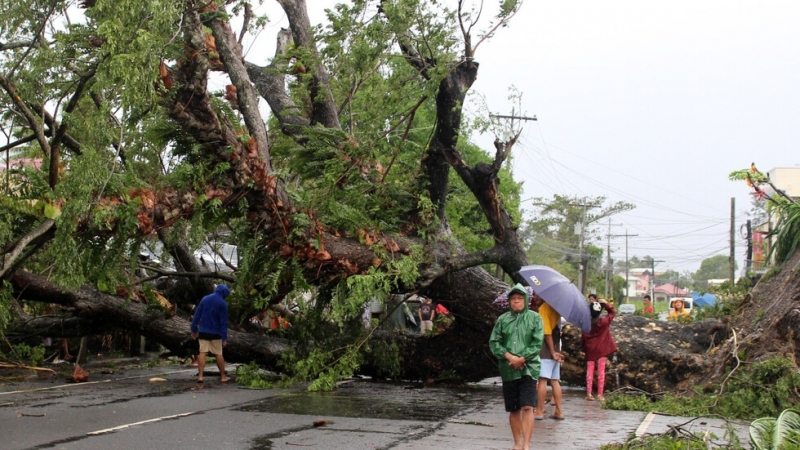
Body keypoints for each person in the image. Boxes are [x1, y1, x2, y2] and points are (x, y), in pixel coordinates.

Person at [489, 284, 544, 450]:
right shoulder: (502, 319)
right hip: (508, 369)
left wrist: (522, 358)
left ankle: (526, 444)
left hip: (529, 369)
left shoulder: (535, 318)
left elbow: (537, 342)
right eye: (513, 299)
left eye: (520, 299)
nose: (516, 302)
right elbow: (494, 342)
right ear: (509, 301)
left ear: (526, 300)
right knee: (513, 409)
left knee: (527, 406)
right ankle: (517, 443)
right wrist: (510, 357)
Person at [530, 293, 565, 420]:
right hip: (556, 347)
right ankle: (559, 411)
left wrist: (551, 351)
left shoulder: (544, 308)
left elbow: (547, 332)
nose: (535, 297)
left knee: (543, 380)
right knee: (555, 381)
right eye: (534, 295)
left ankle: (539, 411)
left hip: (546, 349)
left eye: (538, 295)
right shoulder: (555, 308)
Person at [190, 284, 231, 383]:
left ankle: (200, 376)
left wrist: (194, 329)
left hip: (203, 331)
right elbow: (223, 323)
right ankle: (223, 376)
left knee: (202, 352)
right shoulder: (223, 304)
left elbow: (197, 315)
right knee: (218, 354)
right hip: (216, 333)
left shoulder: (205, 299)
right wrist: (224, 338)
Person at [581, 298, 618, 401]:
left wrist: (584, 348)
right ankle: (600, 394)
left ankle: (589, 393)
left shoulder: (586, 324)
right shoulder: (604, 322)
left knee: (590, 372)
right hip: (602, 349)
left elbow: (583, 337)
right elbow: (612, 313)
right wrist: (606, 304)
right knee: (601, 372)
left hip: (590, 349)